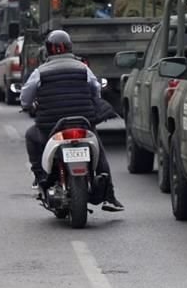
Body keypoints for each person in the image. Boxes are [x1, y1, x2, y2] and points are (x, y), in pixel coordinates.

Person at [20, 30, 124, 211]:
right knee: (99, 151)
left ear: (48, 50)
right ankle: (109, 196)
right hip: (83, 122)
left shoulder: (40, 72)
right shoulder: (83, 68)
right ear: (70, 47)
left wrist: (28, 105)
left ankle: (40, 178)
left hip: (51, 127)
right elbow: (95, 91)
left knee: (31, 136)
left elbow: (25, 98)